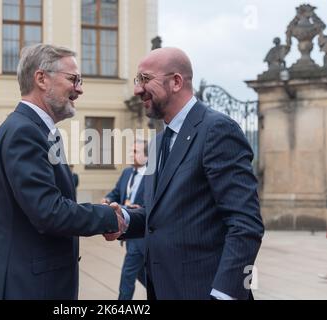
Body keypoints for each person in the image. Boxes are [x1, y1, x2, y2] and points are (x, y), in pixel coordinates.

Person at [105, 47, 264, 300]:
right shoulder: (157, 143)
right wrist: (124, 218)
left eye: (145, 79)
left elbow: (245, 224)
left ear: (176, 82)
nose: (137, 89)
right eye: (137, 81)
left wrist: (223, 294)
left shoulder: (217, 130)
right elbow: (158, 215)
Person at [0, 44, 125, 300]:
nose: (79, 89)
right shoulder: (24, 132)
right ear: (41, 79)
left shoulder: (35, 130)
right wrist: (107, 216)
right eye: (73, 79)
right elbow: (48, 212)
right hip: (27, 288)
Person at [101, 140, 148, 300]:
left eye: (135, 151)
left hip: (141, 234)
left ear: (147, 156)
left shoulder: (153, 176)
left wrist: (139, 208)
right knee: (141, 273)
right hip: (127, 230)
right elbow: (115, 192)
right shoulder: (127, 173)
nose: (131, 154)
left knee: (128, 273)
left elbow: (154, 204)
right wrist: (108, 199)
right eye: (131, 151)